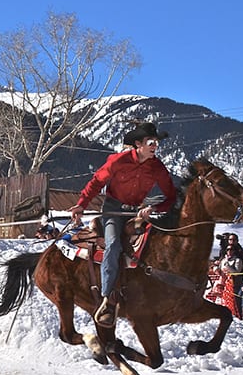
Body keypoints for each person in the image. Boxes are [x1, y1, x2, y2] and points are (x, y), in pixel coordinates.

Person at [69, 121, 177, 328]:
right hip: (113, 210)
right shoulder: (118, 161)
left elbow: (171, 196)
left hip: (136, 211)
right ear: (138, 144)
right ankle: (107, 299)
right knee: (114, 245)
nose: (155, 146)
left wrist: (153, 209)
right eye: (151, 142)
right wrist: (81, 205)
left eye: (156, 143)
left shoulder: (158, 168)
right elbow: (96, 182)